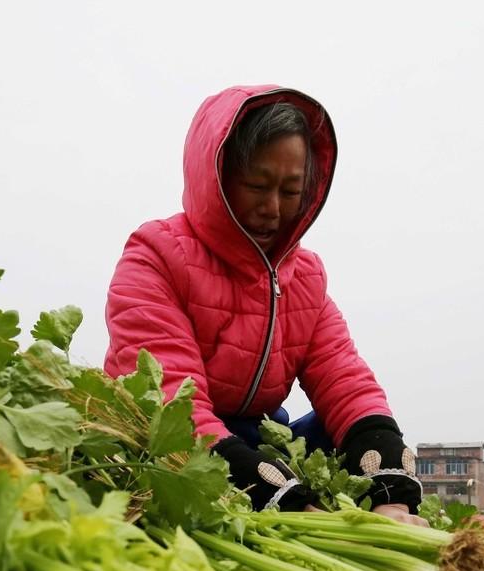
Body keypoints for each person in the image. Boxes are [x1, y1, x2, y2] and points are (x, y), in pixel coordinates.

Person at [105, 85, 425, 525]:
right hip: (171, 441)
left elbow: (346, 381)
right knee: (175, 453)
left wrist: (391, 495)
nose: (273, 209)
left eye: (291, 191)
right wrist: (289, 502)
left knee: (346, 433)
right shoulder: (156, 257)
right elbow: (172, 406)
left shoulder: (304, 278)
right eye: (258, 185)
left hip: (257, 439)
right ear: (217, 176)